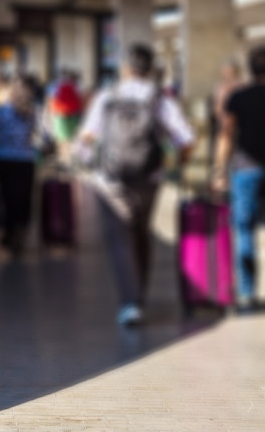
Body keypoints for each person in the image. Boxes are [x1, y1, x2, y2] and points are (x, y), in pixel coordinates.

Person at [77, 44, 194, 326]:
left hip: (111, 179)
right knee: (142, 233)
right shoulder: (160, 99)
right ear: (151, 69)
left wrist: (87, 161)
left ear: (126, 68)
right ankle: (138, 295)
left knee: (119, 237)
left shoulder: (106, 96)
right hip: (148, 178)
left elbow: (87, 138)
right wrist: (177, 164)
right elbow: (186, 140)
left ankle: (130, 303)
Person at [212, 47, 265, 308]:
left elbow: (225, 135)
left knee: (245, 229)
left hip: (245, 169)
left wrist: (219, 169)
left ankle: (247, 293)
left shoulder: (239, 97)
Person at [0, 81, 43, 254]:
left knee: (7, 197)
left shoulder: (2, 111)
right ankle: (21, 230)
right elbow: (42, 135)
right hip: (26, 160)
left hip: (4, 160)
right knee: (24, 198)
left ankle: (8, 232)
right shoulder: (33, 112)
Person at [49, 70, 85, 146]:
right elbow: (81, 98)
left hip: (60, 112)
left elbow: (52, 99)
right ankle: (69, 154)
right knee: (72, 137)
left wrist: (51, 112)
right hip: (74, 112)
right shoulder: (76, 85)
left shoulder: (57, 84)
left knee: (61, 138)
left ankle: (63, 155)